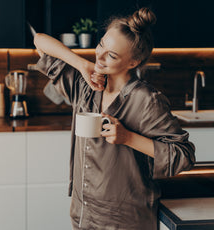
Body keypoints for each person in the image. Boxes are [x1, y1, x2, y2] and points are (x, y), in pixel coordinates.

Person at [34, 7, 195, 230]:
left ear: (133, 62)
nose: (99, 56)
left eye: (111, 55)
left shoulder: (146, 100)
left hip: (126, 221)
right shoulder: (85, 86)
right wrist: (82, 64)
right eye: (101, 44)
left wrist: (128, 137)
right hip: (83, 214)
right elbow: (40, 42)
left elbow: (183, 155)